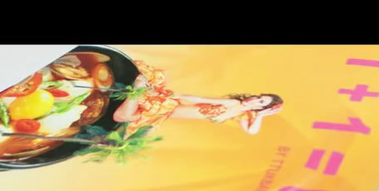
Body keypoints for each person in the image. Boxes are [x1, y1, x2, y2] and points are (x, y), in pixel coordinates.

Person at [112, 60, 284, 135]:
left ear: (259, 108)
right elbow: (198, 98)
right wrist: (177, 95)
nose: (254, 99)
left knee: (128, 124)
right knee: (124, 115)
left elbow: (251, 132)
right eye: (259, 96)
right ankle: (134, 88)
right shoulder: (234, 103)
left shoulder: (241, 115)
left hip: (162, 116)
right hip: (167, 107)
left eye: (260, 102)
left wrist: (261, 116)